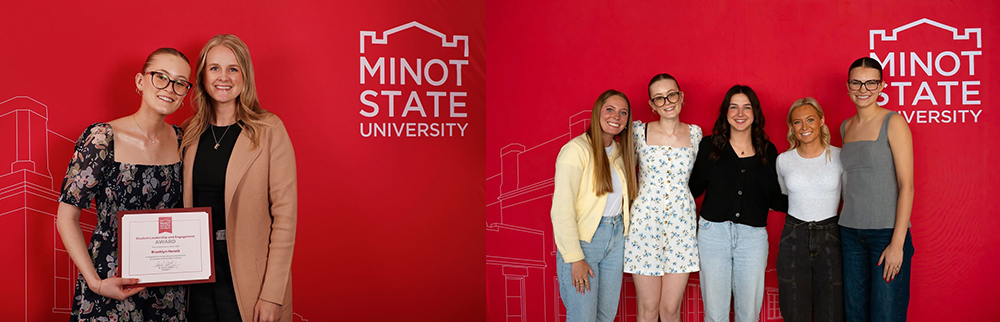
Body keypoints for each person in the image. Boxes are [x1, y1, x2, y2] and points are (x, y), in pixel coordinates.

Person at [56, 47, 192, 321]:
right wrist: (95, 282)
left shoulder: (183, 140)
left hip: (166, 286)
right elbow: (66, 217)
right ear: (140, 81)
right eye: (161, 77)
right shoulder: (102, 138)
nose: (170, 88)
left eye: (180, 83)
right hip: (110, 280)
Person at [182, 34, 297, 322]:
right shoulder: (187, 133)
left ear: (245, 76)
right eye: (214, 68)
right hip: (196, 273)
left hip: (249, 278)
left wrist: (272, 294)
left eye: (233, 68)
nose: (223, 77)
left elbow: (285, 218)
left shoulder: (269, 130)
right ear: (202, 76)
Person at [690, 85, 786, 322]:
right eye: (734, 107)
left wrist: (809, 200)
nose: (740, 113)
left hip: (752, 237)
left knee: (749, 314)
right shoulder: (709, 146)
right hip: (713, 235)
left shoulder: (767, 151)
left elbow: (774, 197)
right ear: (726, 112)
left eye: (747, 107)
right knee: (715, 313)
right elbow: (693, 188)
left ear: (755, 113)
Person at [551, 89, 637, 322]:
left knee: (606, 317)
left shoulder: (620, 153)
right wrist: (574, 257)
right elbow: (561, 209)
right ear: (598, 111)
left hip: (616, 240)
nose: (616, 117)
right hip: (585, 243)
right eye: (610, 109)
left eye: (623, 113)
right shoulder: (576, 150)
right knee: (583, 318)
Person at [839, 57, 915, 322]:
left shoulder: (893, 122)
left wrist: (897, 244)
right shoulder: (845, 127)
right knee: (855, 315)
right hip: (850, 234)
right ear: (848, 86)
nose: (863, 89)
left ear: (882, 86)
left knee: (886, 315)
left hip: (886, 234)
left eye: (871, 83)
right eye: (856, 83)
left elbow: (907, 186)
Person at [624, 74, 702, 322]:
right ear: (652, 104)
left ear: (681, 96)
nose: (667, 102)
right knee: (648, 308)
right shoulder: (638, 132)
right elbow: (622, 174)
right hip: (645, 227)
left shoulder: (696, 134)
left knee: (670, 310)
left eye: (671, 94)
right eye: (659, 98)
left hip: (681, 228)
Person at [775, 97, 844, 322]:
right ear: (792, 127)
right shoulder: (783, 160)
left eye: (810, 119)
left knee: (832, 311)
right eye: (798, 122)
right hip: (794, 236)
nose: (804, 127)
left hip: (831, 236)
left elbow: (848, 197)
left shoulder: (840, 156)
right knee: (794, 310)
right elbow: (785, 194)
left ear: (821, 121)